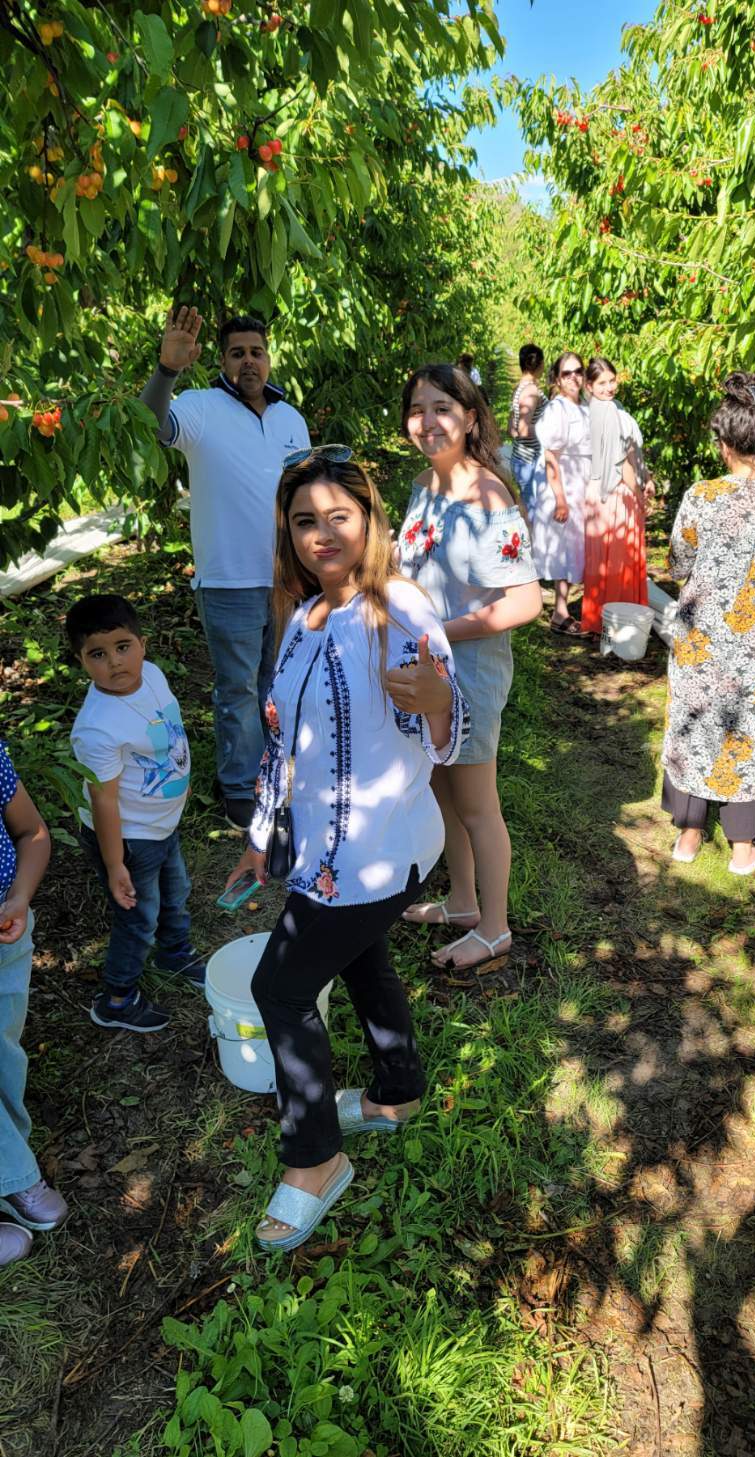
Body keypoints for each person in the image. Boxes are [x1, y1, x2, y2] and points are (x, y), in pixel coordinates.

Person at [224, 449, 469, 1252]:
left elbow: (437, 722)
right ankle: (396, 1091)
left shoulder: (395, 610)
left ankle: (315, 1160)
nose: (322, 533)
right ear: (288, 533)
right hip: (324, 851)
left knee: (280, 989)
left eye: (339, 516)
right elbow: (285, 744)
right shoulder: (305, 615)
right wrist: (263, 836)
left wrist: (439, 702)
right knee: (361, 959)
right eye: (304, 520)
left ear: (369, 521)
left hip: (374, 852)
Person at [140, 307, 310, 830]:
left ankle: (275, 775)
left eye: (256, 352)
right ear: (221, 360)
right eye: (237, 353)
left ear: (269, 356)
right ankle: (239, 785)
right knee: (237, 689)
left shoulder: (290, 419)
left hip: (284, 578)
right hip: (228, 581)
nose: (249, 362)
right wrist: (167, 370)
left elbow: (305, 495)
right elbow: (149, 422)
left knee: (277, 683)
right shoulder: (199, 407)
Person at [397, 364, 542, 971]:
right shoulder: (425, 486)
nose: (428, 421)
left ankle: (495, 927)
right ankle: (460, 902)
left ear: (471, 418)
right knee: (442, 794)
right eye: (418, 409)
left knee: (478, 805)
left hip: (470, 674)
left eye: (442, 409)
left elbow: (525, 601)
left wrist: (440, 632)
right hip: (429, 671)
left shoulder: (488, 496)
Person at [661, 373, 755, 874]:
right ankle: (744, 850)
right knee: (749, 728)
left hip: (701, 638)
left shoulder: (701, 496)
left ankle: (687, 837)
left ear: (723, 444)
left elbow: (678, 563)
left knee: (695, 722)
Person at [68, 594, 201, 1032]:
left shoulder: (154, 677)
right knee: (137, 915)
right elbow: (104, 799)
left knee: (174, 891)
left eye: (123, 647)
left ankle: (175, 952)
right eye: (98, 654)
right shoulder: (97, 726)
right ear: (81, 661)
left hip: (162, 825)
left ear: (143, 643)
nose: (115, 662)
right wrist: (114, 863)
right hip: (129, 836)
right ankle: (117, 998)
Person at [0, 743, 68, 1267]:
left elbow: (32, 833)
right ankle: (19, 1176)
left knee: (5, 1058)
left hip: (6, 941)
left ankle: (9, 1162)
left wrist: (19, 897)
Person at [580, 356, 653, 637]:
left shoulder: (590, 413)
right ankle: (622, 622)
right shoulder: (613, 414)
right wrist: (638, 494)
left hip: (596, 497)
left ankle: (599, 619)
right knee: (621, 559)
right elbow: (625, 463)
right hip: (618, 497)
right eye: (602, 382)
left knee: (601, 560)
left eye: (612, 380)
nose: (609, 387)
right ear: (589, 385)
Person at [529, 351, 590, 635]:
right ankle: (560, 613)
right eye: (567, 373)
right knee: (565, 552)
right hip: (565, 487)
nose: (574, 377)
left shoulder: (585, 407)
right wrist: (560, 498)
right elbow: (551, 458)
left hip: (582, 486)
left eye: (578, 371)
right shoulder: (558, 410)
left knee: (576, 549)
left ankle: (572, 609)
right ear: (556, 379)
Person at [508, 343, 547, 520]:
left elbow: (512, 428)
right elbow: (523, 429)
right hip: (529, 461)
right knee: (532, 510)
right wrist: (549, 429)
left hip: (522, 457)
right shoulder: (531, 391)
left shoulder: (519, 388)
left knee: (528, 505)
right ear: (540, 364)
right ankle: (529, 544)